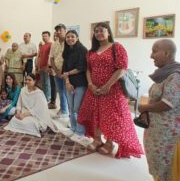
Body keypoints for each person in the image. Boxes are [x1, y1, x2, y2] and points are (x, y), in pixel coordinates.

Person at [78, 22, 143, 158]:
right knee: (95, 114)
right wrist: (90, 84)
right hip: (94, 89)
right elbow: (88, 69)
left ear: (108, 32)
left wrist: (107, 86)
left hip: (112, 90)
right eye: (96, 31)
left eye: (102, 30)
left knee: (112, 116)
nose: (99, 33)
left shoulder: (116, 47)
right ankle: (97, 139)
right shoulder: (91, 52)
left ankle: (109, 142)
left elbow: (122, 68)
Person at [139, 39, 180, 181]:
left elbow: (167, 104)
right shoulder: (164, 74)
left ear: (167, 53)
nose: (151, 56)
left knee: (168, 163)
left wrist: (145, 107)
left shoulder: (176, 76)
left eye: (155, 51)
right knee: (158, 160)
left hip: (170, 132)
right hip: (157, 129)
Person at [61, 30, 92, 146]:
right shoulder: (67, 51)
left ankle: (80, 131)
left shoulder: (83, 50)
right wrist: (67, 82)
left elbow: (81, 68)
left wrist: (68, 74)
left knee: (77, 109)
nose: (69, 39)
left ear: (77, 38)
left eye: (72, 37)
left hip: (80, 83)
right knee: (70, 108)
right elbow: (64, 69)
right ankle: (73, 128)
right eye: (67, 37)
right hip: (69, 83)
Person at [4, 73, 58, 137]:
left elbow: (38, 109)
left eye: (29, 80)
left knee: (30, 123)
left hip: (35, 115)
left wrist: (24, 115)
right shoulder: (23, 90)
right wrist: (18, 112)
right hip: (24, 111)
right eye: (26, 80)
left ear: (34, 81)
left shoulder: (39, 93)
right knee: (14, 120)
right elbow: (19, 103)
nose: (27, 81)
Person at [50, 24, 69, 117]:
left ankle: (69, 112)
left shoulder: (69, 42)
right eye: (56, 30)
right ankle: (64, 110)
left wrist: (63, 70)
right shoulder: (54, 44)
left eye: (60, 30)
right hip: (56, 72)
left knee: (68, 92)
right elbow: (51, 59)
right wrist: (56, 70)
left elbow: (70, 58)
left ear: (65, 30)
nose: (58, 32)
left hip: (67, 72)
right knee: (60, 92)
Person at [36, 31, 52, 107]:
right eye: (43, 36)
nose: (44, 37)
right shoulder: (42, 46)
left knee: (47, 84)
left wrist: (48, 67)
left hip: (47, 67)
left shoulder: (51, 45)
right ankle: (44, 98)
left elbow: (51, 57)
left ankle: (48, 99)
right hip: (41, 67)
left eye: (45, 36)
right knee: (43, 84)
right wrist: (38, 67)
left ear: (49, 36)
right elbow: (39, 57)